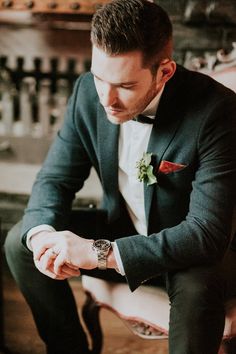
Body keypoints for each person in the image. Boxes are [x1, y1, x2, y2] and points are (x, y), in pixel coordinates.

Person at [5, 0, 236, 353]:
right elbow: (55, 180)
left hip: (192, 251)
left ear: (165, 72)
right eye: (100, 78)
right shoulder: (87, 93)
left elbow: (205, 234)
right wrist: (42, 238)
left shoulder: (217, 111)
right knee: (21, 239)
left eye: (125, 85)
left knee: (198, 290)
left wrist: (99, 254)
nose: (107, 99)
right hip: (123, 226)